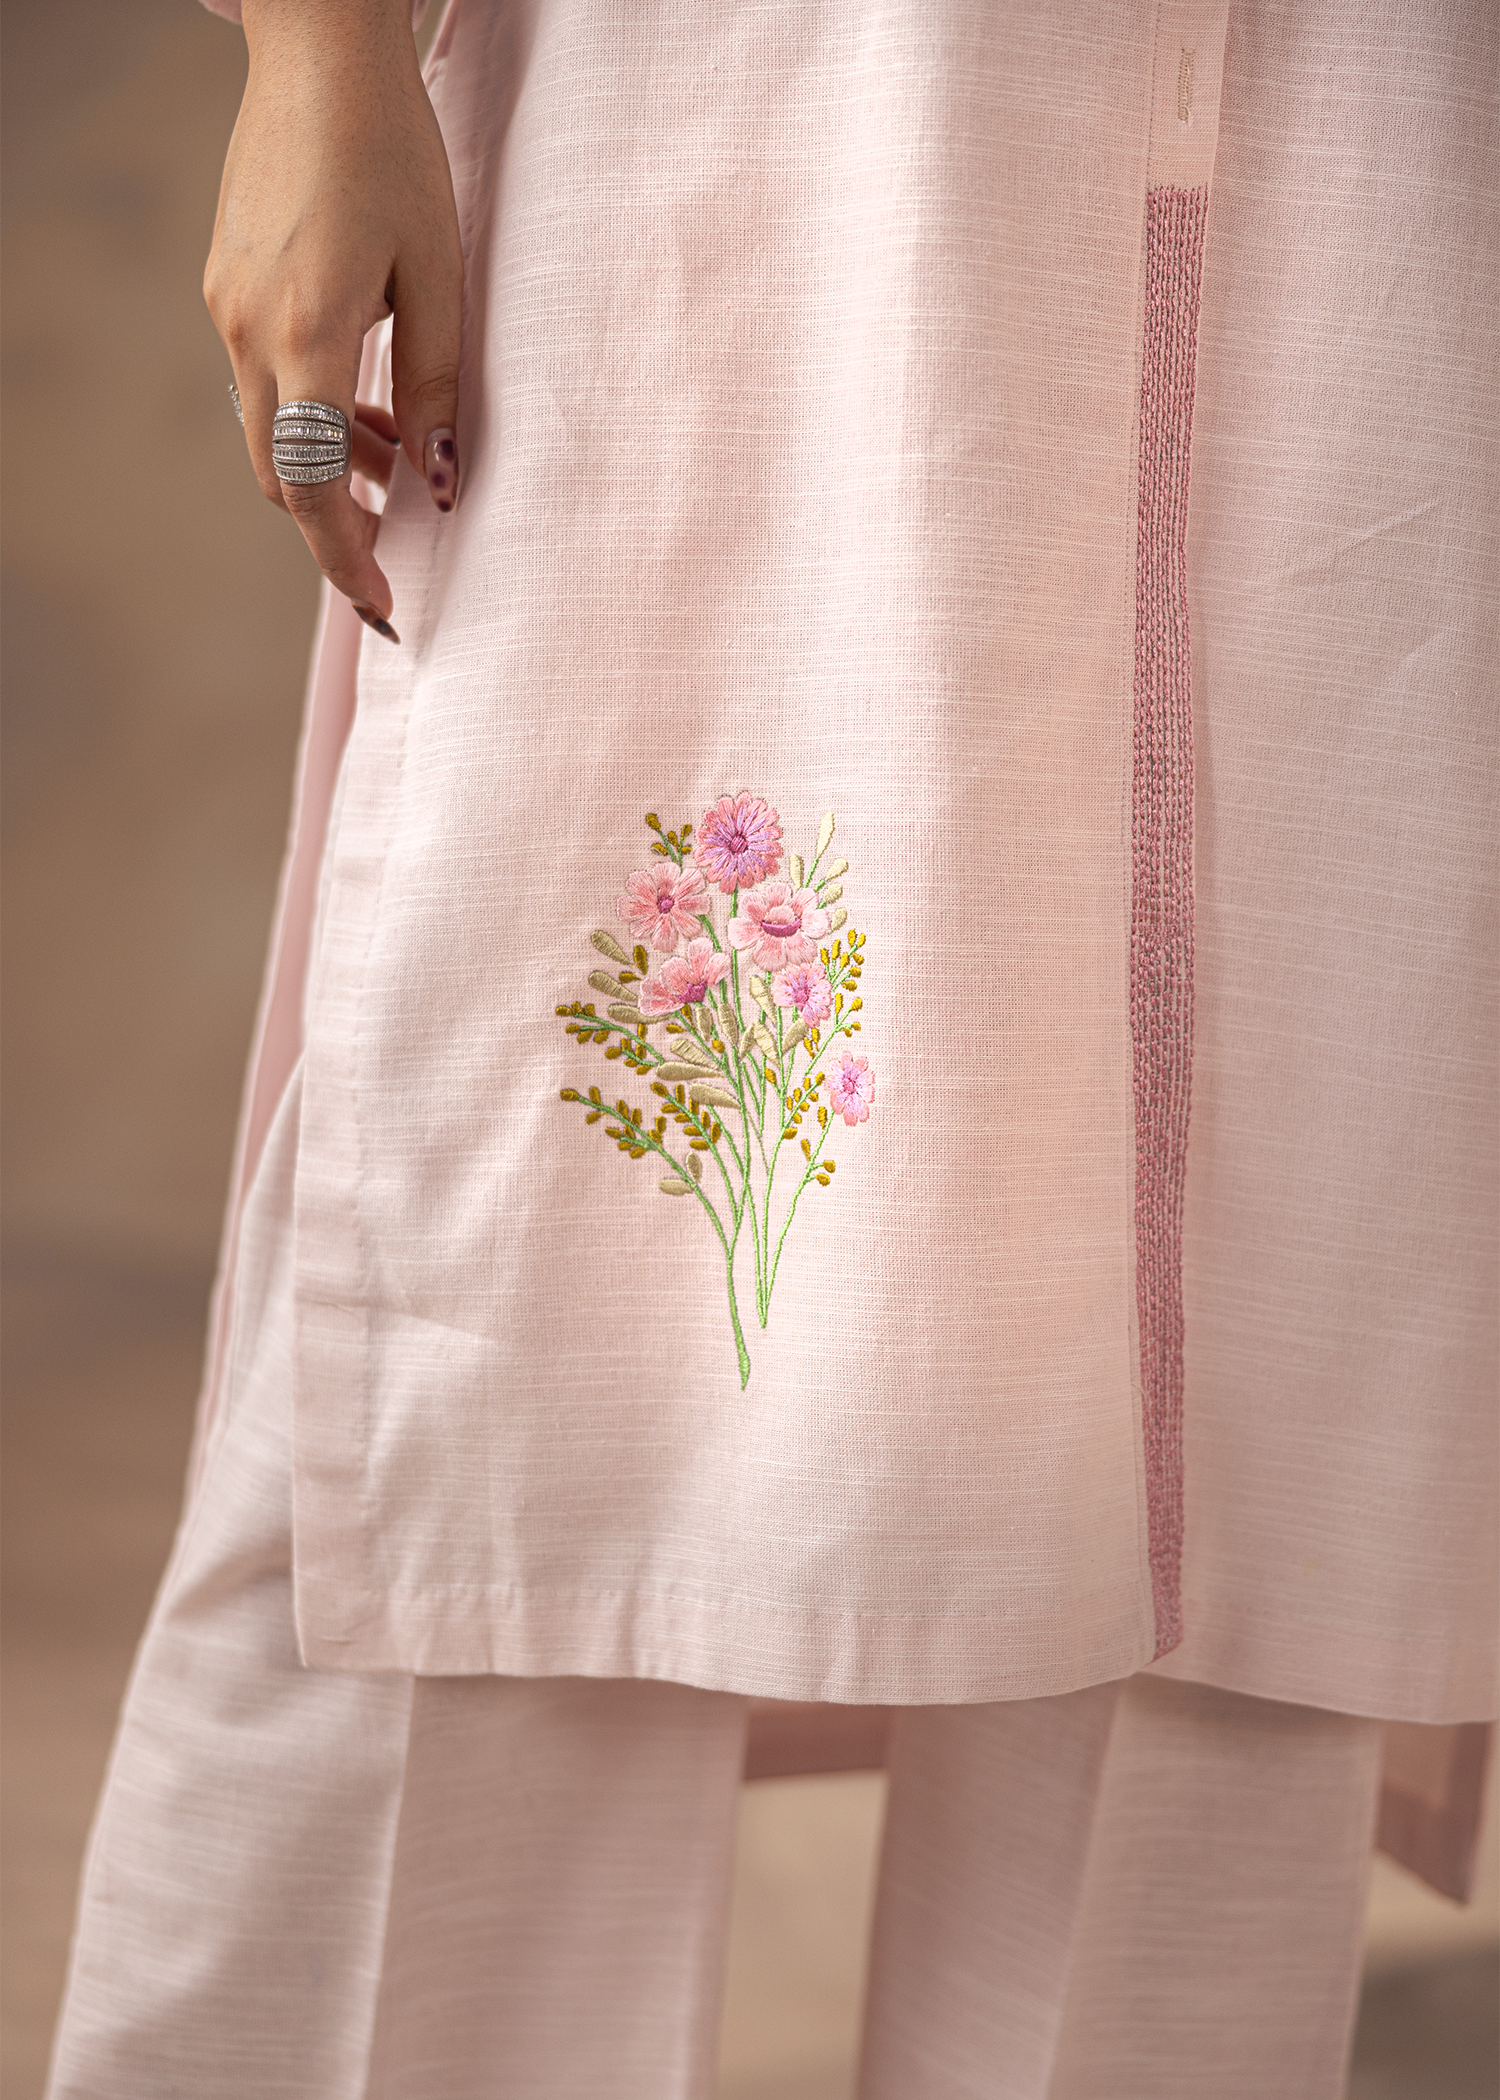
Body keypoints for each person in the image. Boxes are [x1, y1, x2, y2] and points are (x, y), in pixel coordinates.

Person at [47, 2, 1499, 2095]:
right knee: (500, 1349)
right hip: (754, 127)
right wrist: (322, 64)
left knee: (1246, 1351)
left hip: (1389, 166)